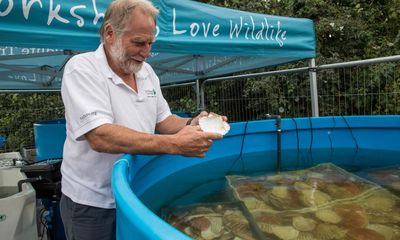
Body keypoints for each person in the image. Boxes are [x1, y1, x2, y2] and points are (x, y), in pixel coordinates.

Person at [59, 0, 226, 239]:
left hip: (135, 191)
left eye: (149, 43)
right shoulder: (82, 69)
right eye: (138, 42)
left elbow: (163, 121)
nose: (146, 52)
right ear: (109, 33)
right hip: (92, 203)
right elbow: (99, 136)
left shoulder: (146, 72)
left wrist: (193, 124)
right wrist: (175, 145)